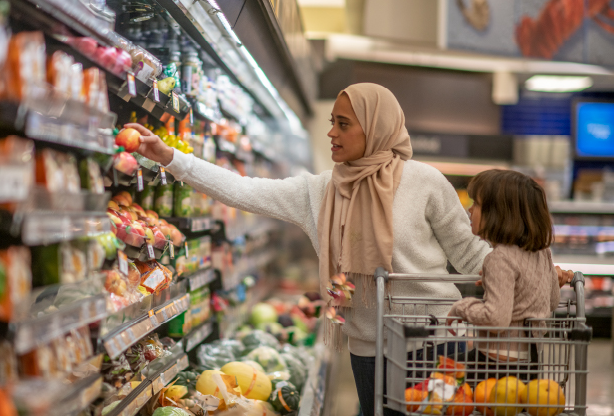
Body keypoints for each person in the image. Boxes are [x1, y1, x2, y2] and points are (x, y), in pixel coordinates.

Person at [126, 83, 573, 416]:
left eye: (344, 124)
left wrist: (534, 272)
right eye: (332, 123)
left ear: (375, 127)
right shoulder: (320, 191)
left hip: (437, 337)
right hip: (367, 344)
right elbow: (243, 190)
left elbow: (472, 254)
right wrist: (171, 158)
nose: (332, 133)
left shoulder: (426, 182)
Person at [446, 170, 561, 385]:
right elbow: (552, 301)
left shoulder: (499, 259)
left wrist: (461, 307)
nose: (470, 210)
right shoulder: (543, 252)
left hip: (493, 365)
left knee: (434, 374)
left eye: (477, 204)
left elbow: (496, 319)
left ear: (499, 213)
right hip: (530, 364)